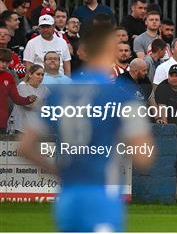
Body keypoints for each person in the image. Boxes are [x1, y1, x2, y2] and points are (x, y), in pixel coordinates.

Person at [18, 24, 154, 232]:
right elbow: (144, 157)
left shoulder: (59, 94)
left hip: (68, 196)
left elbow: (25, 147)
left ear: (82, 53)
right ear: (110, 51)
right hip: (101, 195)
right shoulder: (120, 94)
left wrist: (59, 171)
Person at [0, 48, 37, 134]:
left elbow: (16, 98)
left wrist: (28, 99)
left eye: (7, 62)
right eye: (1, 61)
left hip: (2, 120)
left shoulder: (9, 77)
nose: (4, 64)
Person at [8, 64, 47, 134]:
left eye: (42, 75)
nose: (41, 77)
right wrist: (43, 102)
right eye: (38, 74)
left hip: (36, 128)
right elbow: (29, 105)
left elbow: (50, 104)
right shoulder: (22, 86)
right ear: (30, 75)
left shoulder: (44, 88)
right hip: (21, 127)